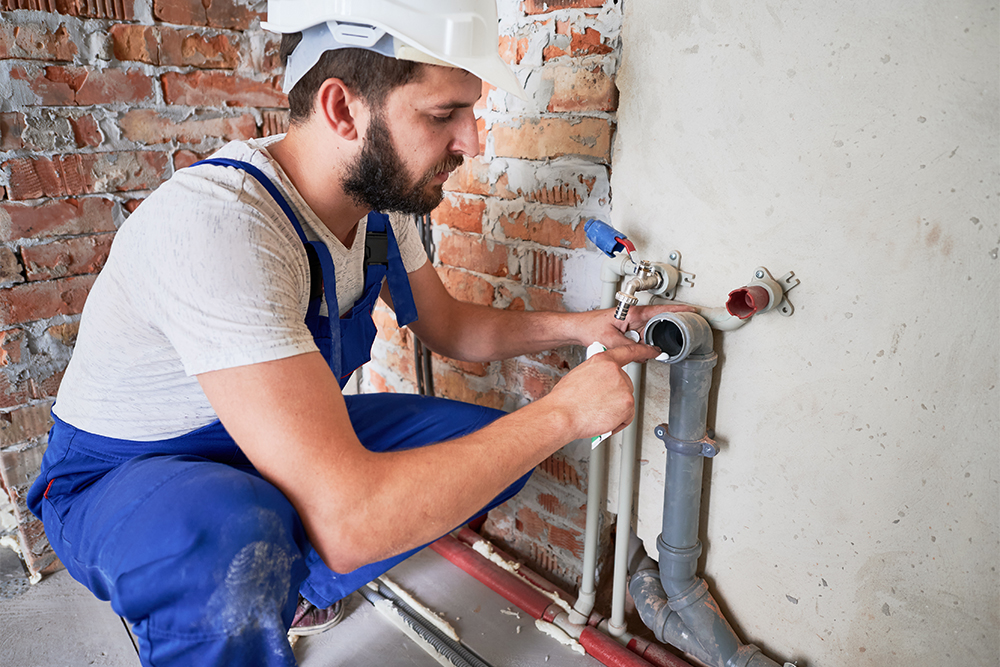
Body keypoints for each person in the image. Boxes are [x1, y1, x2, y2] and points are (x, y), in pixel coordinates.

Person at [27, 1, 684, 665]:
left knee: (483, 451)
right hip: (124, 473)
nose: (473, 141)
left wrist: (583, 327)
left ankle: (292, 582)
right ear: (342, 110)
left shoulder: (377, 208)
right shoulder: (223, 226)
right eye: (443, 114)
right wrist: (565, 412)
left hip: (260, 442)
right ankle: (237, 598)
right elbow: (348, 526)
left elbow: (452, 326)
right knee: (233, 539)